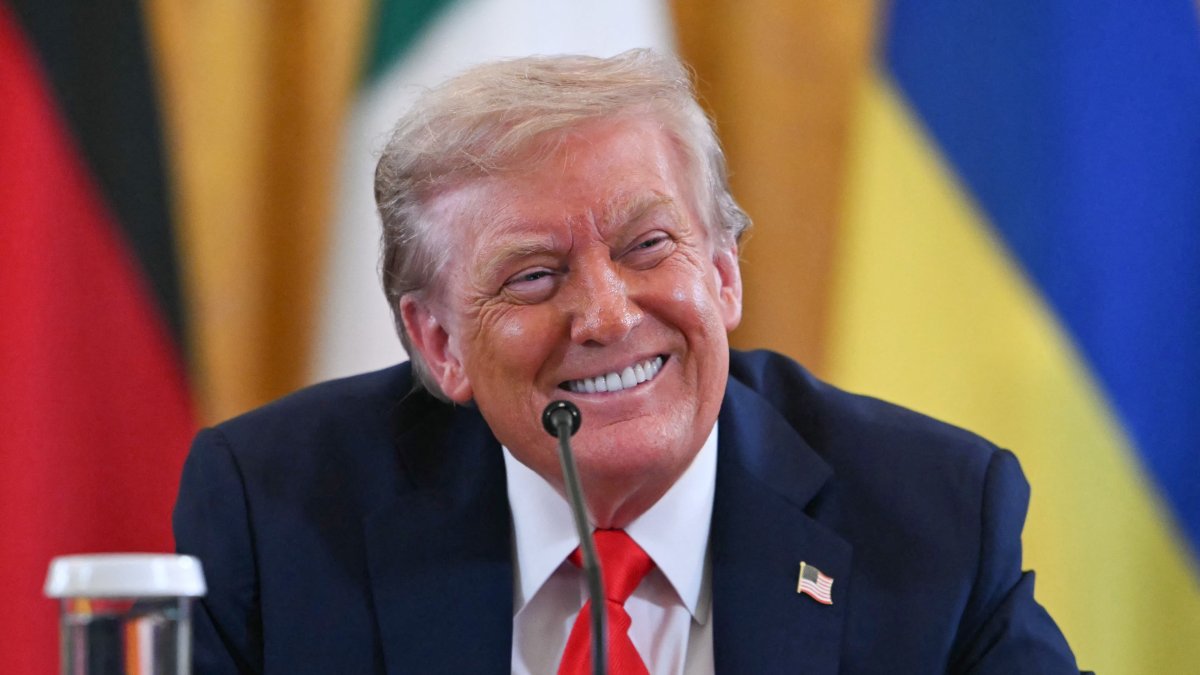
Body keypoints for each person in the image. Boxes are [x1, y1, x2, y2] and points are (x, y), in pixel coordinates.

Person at [174, 49, 1087, 674]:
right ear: (440, 344)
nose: (608, 315)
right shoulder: (275, 512)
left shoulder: (931, 513)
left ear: (724, 275)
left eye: (649, 245)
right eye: (534, 277)